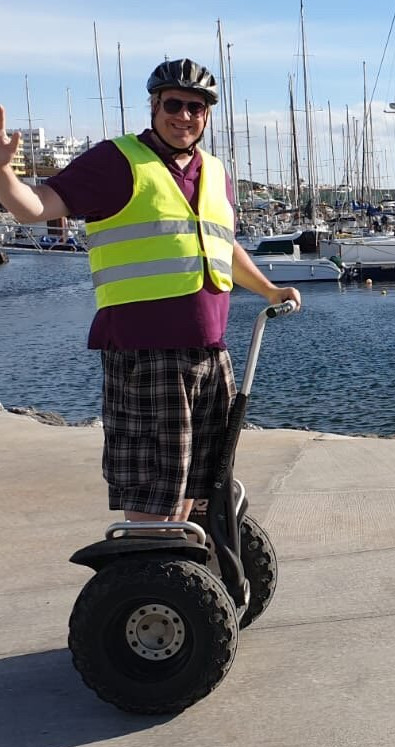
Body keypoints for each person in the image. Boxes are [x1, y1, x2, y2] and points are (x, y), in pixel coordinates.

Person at [0, 57, 302, 528]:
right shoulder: (115, 160)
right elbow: (35, 209)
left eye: (197, 108)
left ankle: (178, 566)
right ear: (154, 106)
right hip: (146, 353)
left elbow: (222, 247)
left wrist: (266, 288)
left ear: (207, 115)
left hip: (210, 352)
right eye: (175, 104)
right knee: (152, 478)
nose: (185, 116)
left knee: (199, 477)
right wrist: (4, 175)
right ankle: (144, 570)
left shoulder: (215, 172)